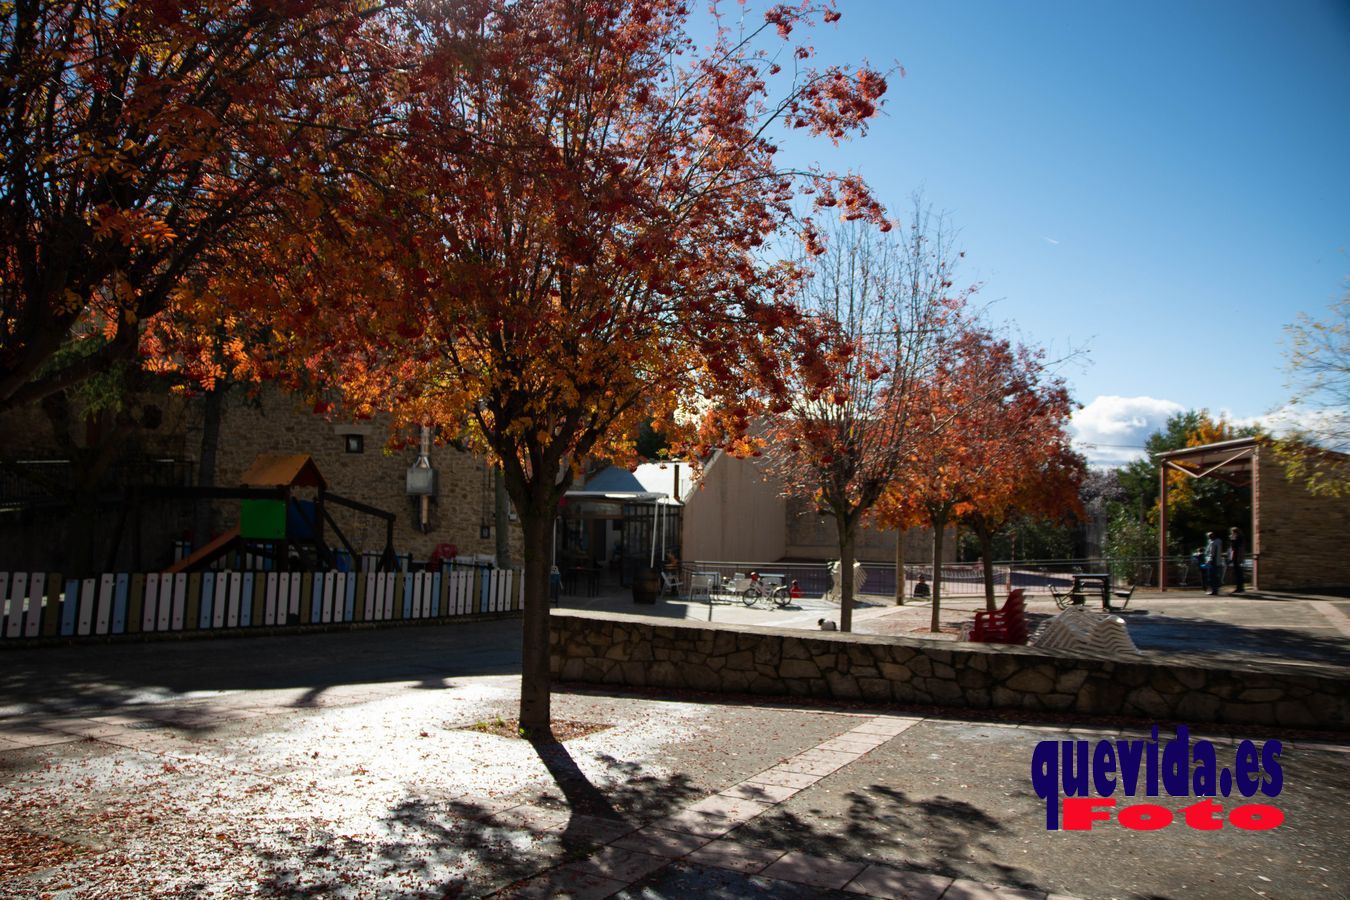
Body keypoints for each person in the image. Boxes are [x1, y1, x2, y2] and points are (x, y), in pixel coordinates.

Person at [1228, 526, 1246, 594]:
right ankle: (1240, 587)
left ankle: (1239, 588)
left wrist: (1232, 539)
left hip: (1237, 557)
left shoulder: (1238, 539)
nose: (1231, 534)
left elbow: (1234, 547)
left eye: (1232, 532)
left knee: (1238, 573)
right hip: (1238, 557)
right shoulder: (1240, 538)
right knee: (1239, 573)